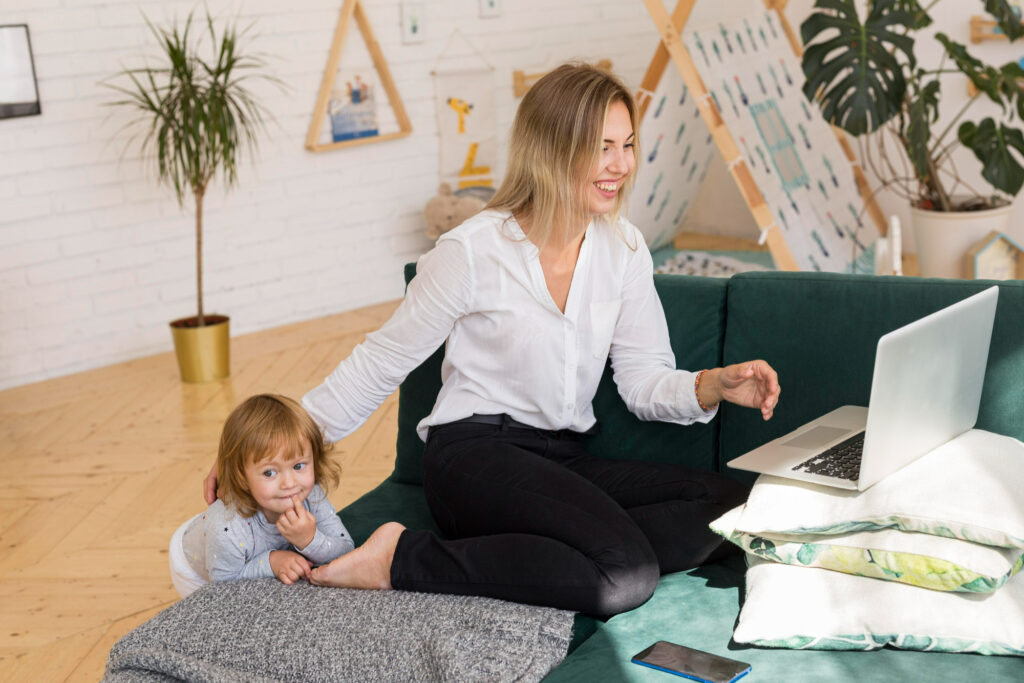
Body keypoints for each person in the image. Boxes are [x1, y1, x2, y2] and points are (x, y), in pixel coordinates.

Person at [205, 63, 780, 617]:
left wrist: (714, 386)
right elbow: (381, 362)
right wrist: (259, 449)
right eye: (602, 146)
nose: (620, 164)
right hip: (474, 456)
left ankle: (560, 554)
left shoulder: (623, 248)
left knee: (731, 505)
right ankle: (399, 558)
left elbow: (643, 379)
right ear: (552, 148)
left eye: (627, 145)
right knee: (623, 575)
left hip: (562, 459)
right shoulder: (472, 251)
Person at [174, 394, 354, 598]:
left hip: (236, 549)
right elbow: (223, 588)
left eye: (298, 466)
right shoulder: (228, 531)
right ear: (242, 476)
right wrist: (271, 562)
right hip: (197, 565)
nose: (289, 483)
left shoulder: (311, 495)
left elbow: (346, 550)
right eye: (270, 472)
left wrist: (310, 540)